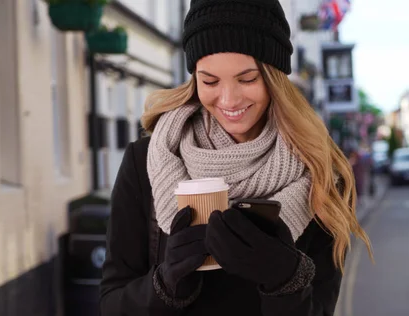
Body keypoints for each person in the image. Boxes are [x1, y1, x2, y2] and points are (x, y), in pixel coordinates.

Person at [99, 0, 373, 315]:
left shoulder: (320, 172)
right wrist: (164, 286)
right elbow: (112, 303)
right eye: (210, 81)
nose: (229, 99)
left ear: (275, 78)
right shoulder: (146, 160)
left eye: (247, 79)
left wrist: (285, 281)